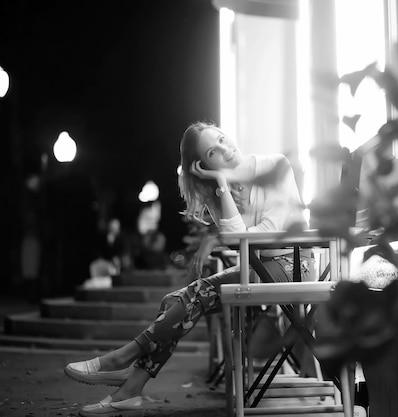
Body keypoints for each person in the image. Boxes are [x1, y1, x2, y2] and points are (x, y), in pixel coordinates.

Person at [63, 120, 313, 417]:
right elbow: (242, 243)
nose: (225, 147)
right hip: (259, 271)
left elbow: (252, 239)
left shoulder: (277, 166)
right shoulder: (221, 198)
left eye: (221, 138)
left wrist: (222, 178)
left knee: (196, 294)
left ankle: (123, 360)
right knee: (175, 301)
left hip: (295, 267)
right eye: (213, 152)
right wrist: (221, 186)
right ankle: (130, 388)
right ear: (202, 166)